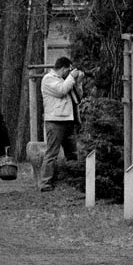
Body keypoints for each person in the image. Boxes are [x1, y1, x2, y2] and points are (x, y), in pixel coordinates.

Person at [39, 56, 84, 191]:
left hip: (68, 120)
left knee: (72, 153)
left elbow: (78, 98)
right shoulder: (48, 79)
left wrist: (78, 82)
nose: (69, 73)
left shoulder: (66, 80)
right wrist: (71, 77)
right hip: (55, 121)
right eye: (68, 70)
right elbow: (61, 91)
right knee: (52, 153)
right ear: (64, 68)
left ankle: (74, 180)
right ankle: (45, 183)